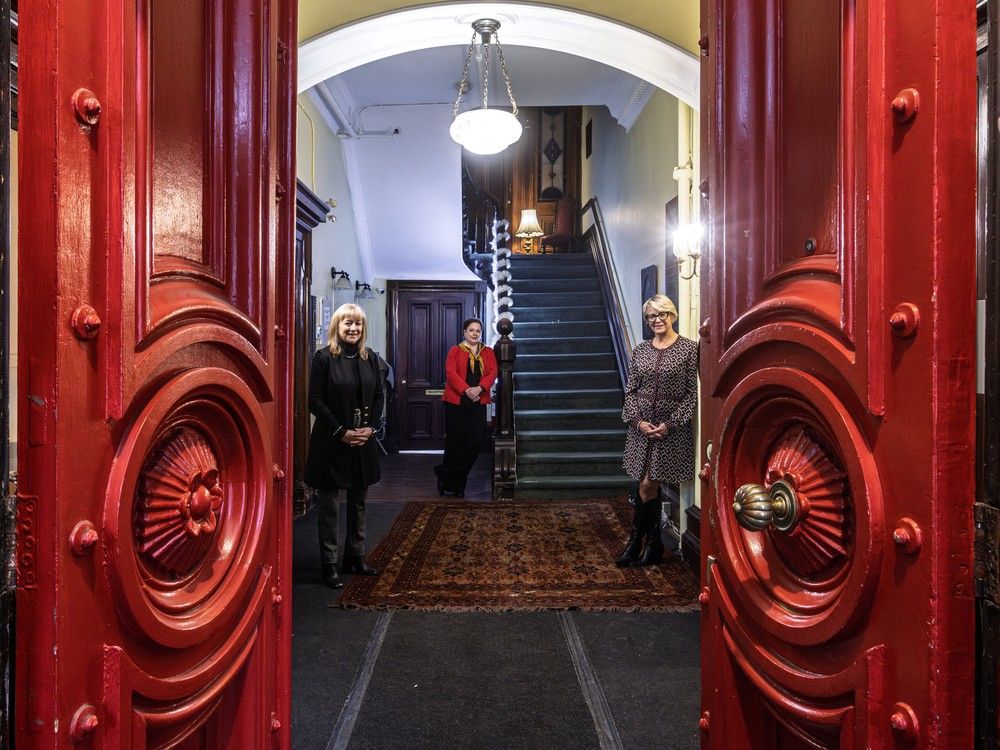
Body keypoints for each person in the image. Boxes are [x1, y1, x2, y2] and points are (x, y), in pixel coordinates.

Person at [305, 303, 385, 588]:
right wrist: (341, 431)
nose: (353, 328)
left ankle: (356, 556)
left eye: (358, 324)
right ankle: (329, 563)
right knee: (329, 506)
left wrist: (371, 428)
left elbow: (378, 397)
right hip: (332, 441)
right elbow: (314, 401)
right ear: (336, 327)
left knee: (359, 502)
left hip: (362, 441)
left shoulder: (370, 358)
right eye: (347, 323)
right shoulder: (324, 358)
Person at [616, 295, 698, 567]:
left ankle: (637, 542)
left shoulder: (689, 349)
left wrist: (670, 424)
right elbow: (630, 391)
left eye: (661, 314)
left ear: (672, 315)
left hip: (668, 431)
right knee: (645, 483)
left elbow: (690, 394)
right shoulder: (640, 350)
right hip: (641, 428)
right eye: (651, 316)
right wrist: (637, 422)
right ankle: (651, 544)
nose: (657, 320)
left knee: (648, 483)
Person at [434, 318, 498, 498]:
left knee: (476, 441)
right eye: (471, 330)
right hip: (456, 401)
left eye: (478, 330)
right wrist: (467, 390)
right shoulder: (455, 351)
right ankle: (457, 486)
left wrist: (480, 388)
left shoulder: (488, 352)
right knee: (455, 442)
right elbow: (451, 374)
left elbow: (493, 372)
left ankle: (445, 472)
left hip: (478, 399)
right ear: (464, 332)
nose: (475, 333)